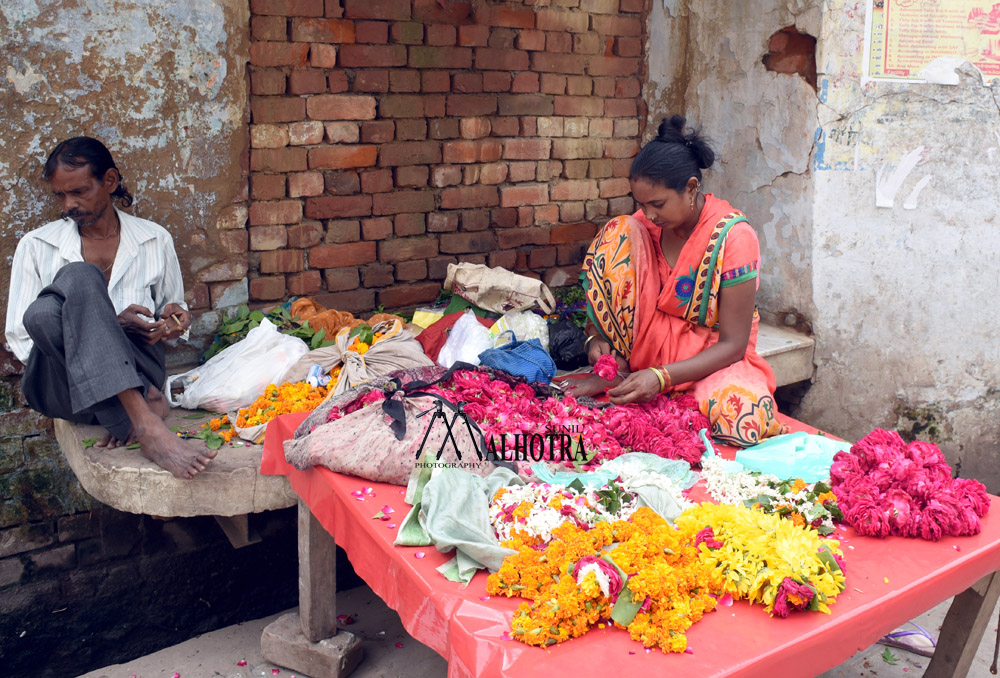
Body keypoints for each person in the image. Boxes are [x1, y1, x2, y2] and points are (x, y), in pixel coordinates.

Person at [566, 115, 786, 447]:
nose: (650, 214)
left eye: (658, 204)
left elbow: (733, 345)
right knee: (619, 230)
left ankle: (658, 382)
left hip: (708, 361)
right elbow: (620, 296)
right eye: (642, 204)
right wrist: (598, 339)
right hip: (644, 351)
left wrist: (662, 377)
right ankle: (627, 368)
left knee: (742, 420)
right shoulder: (643, 226)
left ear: (692, 187)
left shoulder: (734, 237)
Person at [4, 137, 217, 478]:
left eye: (80, 191)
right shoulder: (36, 245)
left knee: (57, 300)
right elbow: (23, 340)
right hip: (63, 387)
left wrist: (174, 322)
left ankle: (126, 415)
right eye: (60, 195)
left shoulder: (153, 239)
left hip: (138, 367)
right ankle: (143, 418)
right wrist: (111, 327)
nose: (69, 204)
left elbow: (172, 320)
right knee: (53, 303)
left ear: (110, 181)